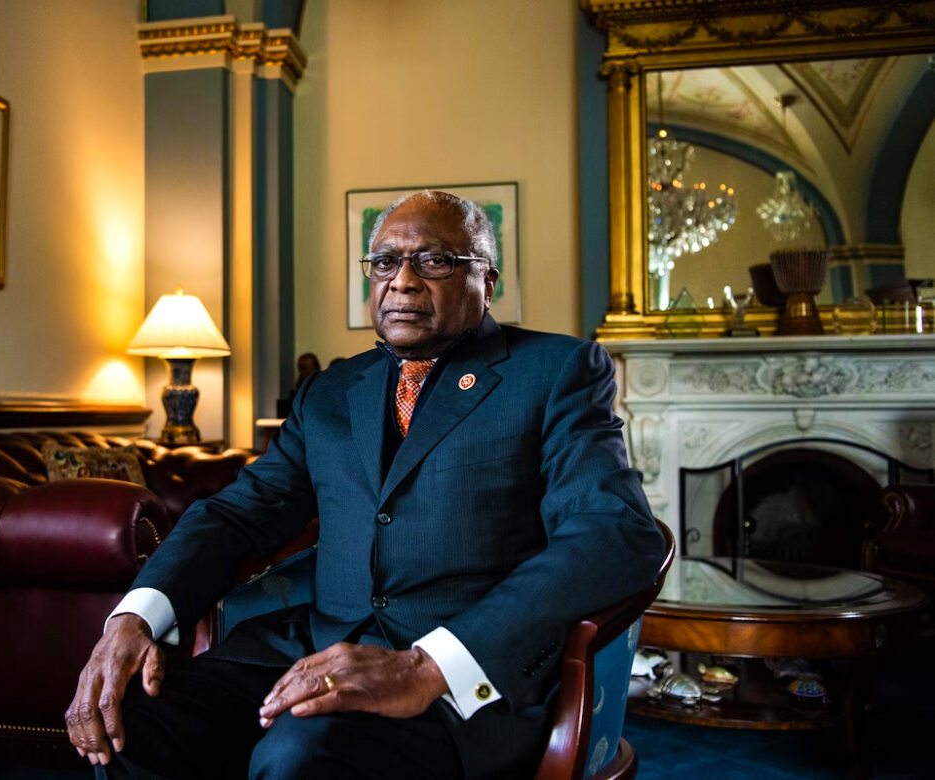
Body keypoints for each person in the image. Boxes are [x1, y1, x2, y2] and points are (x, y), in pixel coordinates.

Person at [66, 190, 665, 779]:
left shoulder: (555, 371)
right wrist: (133, 618)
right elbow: (238, 514)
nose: (402, 281)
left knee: (302, 751)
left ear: (488, 281)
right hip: (307, 648)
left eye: (434, 261)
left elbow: (614, 533)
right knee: (128, 719)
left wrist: (428, 665)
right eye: (385, 261)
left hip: (455, 683)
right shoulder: (329, 392)